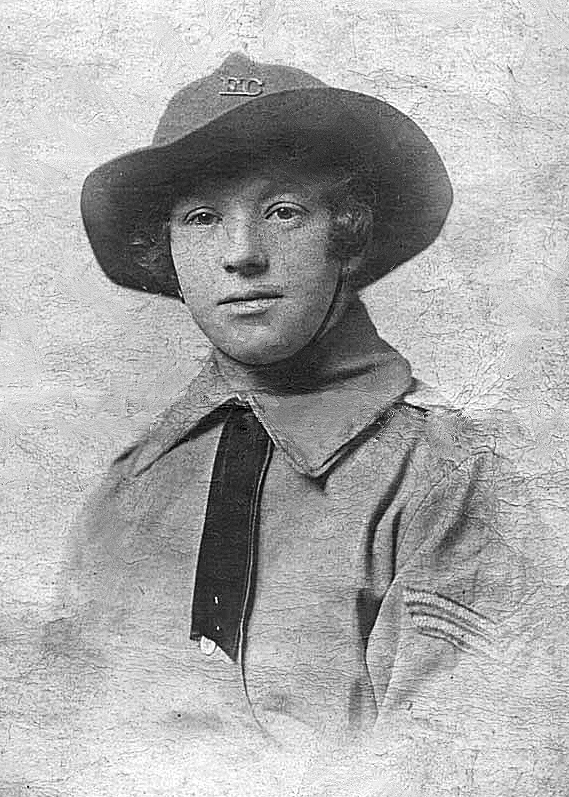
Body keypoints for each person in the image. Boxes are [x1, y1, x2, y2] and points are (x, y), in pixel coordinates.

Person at [45, 52, 533, 780]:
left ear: (347, 234)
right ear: (168, 253)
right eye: (203, 218)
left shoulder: (448, 479)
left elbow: (460, 764)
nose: (241, 255)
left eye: (283, 212)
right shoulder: (128, 489)